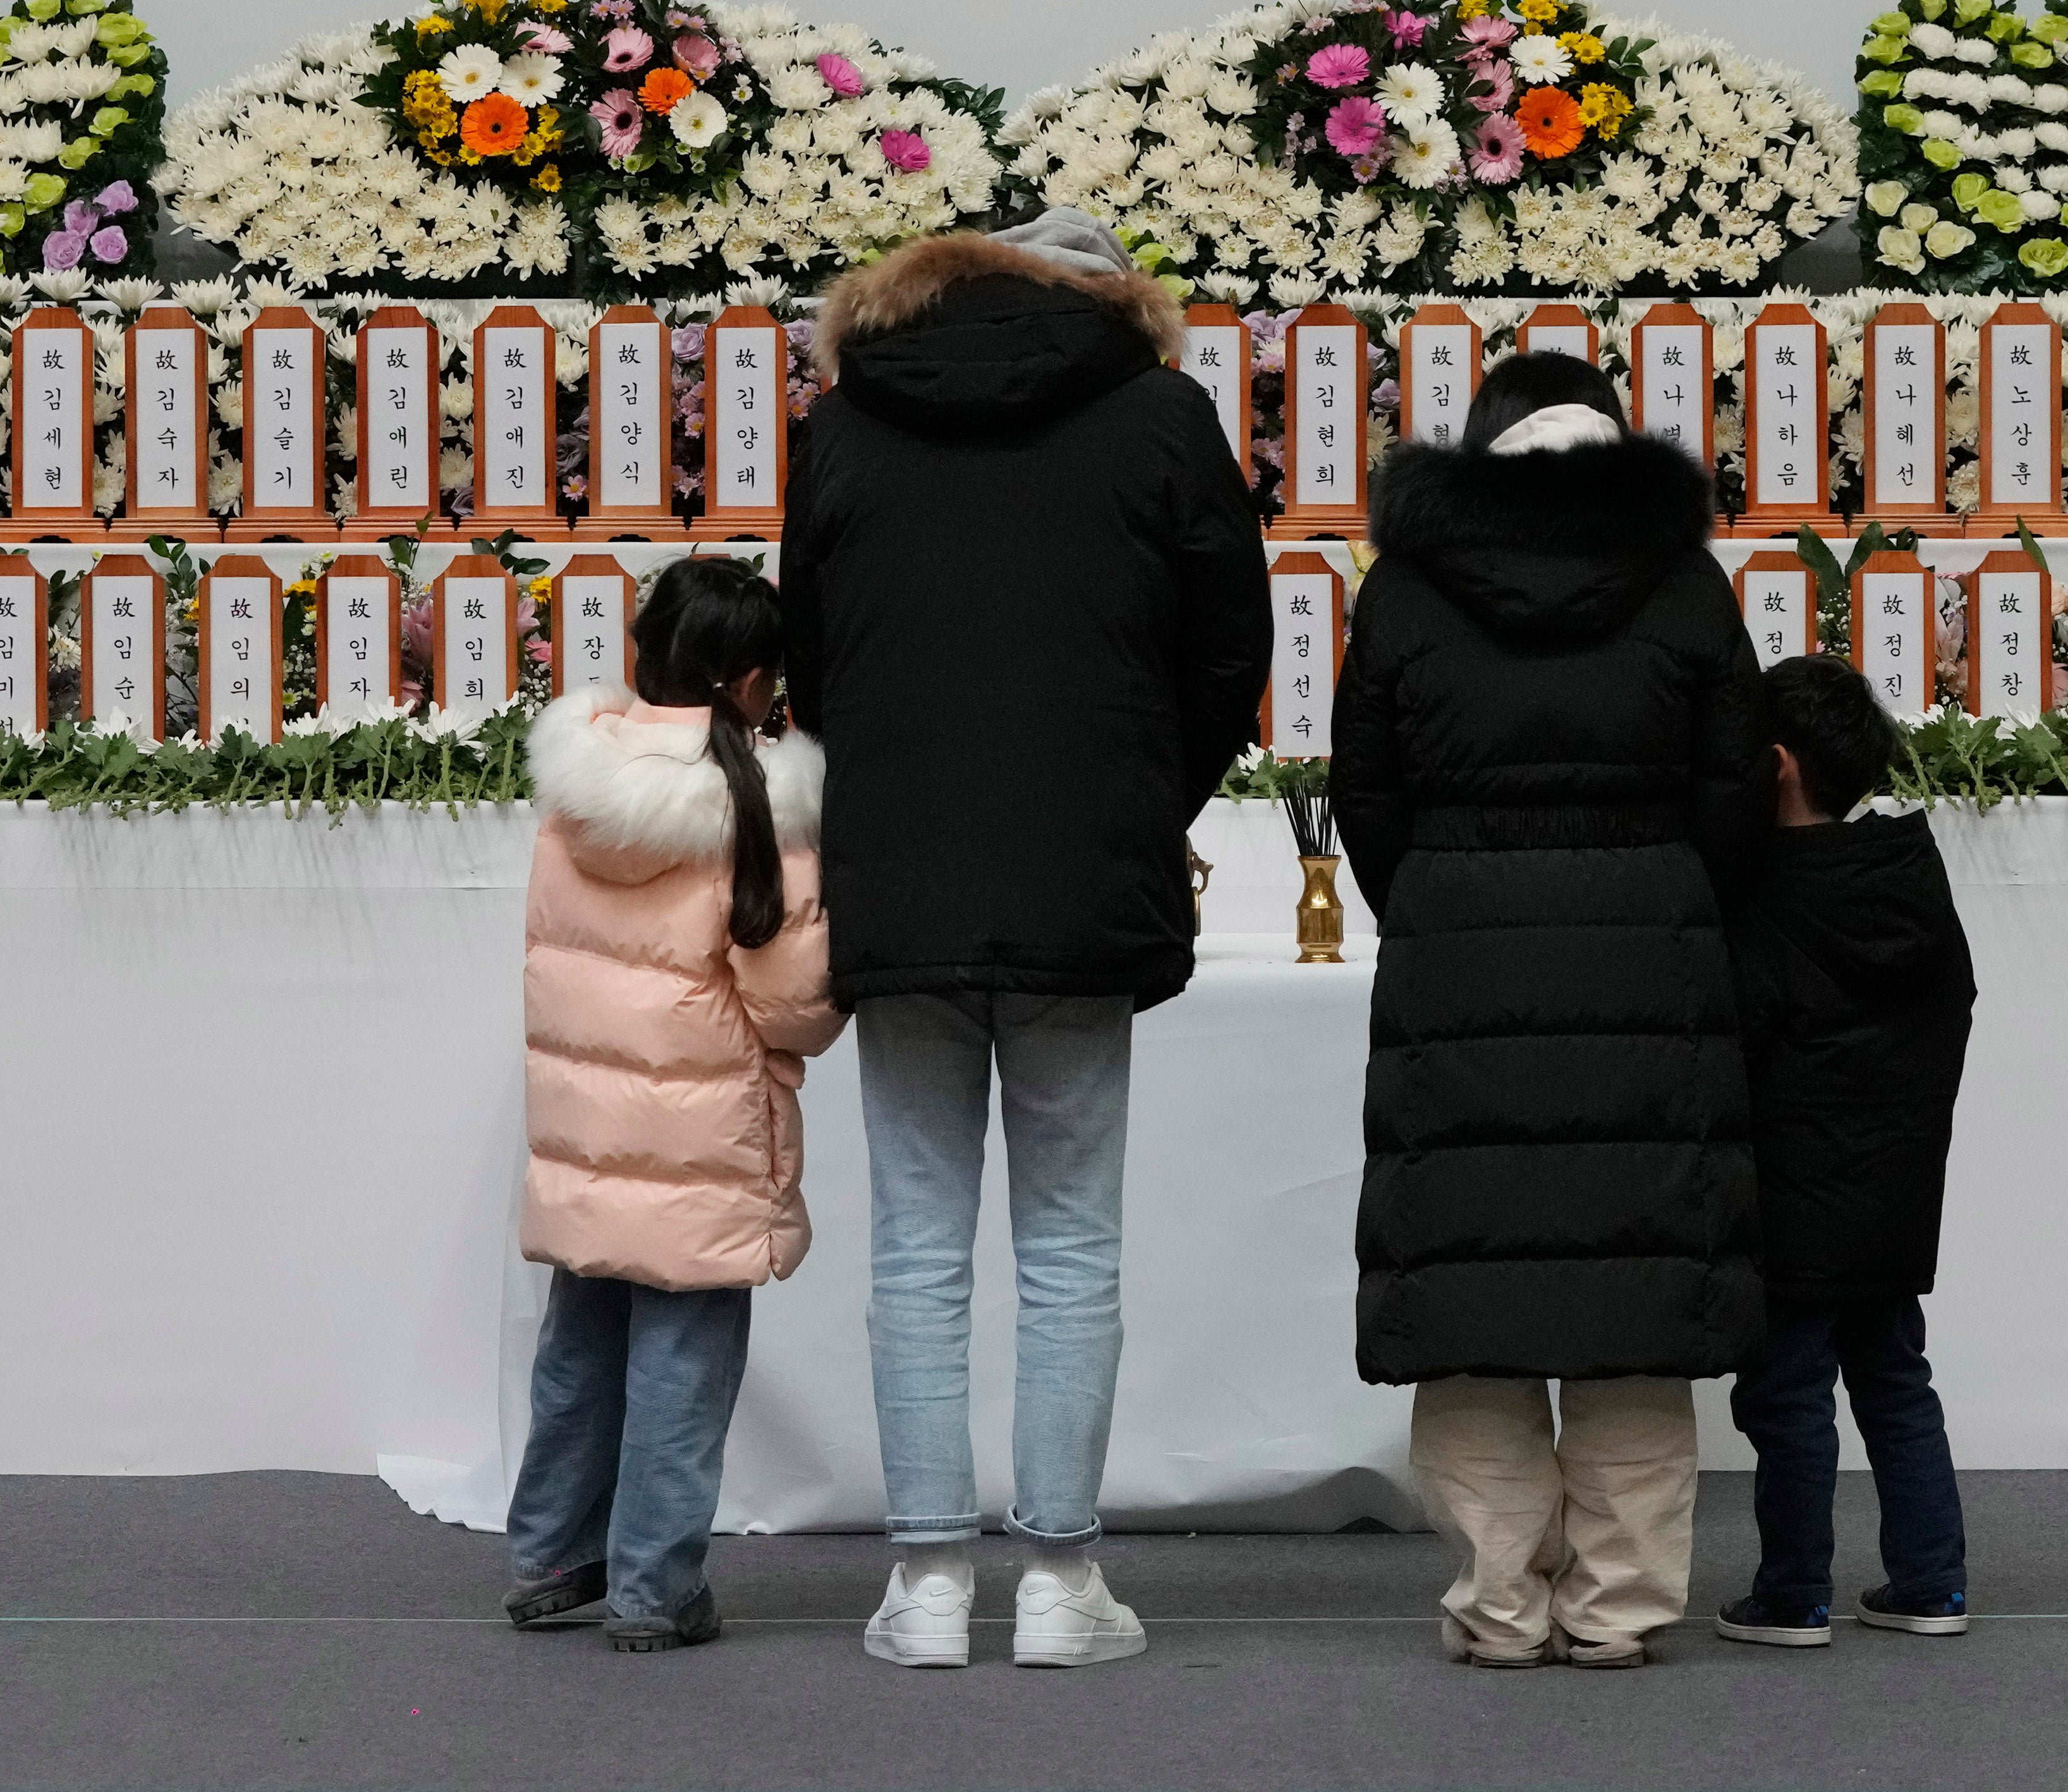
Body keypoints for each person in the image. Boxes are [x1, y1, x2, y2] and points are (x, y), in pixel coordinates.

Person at [782, 205, 1273, 1670]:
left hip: (903, 871)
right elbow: (1228, 648)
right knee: (1071, 1239)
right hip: (1080, 873)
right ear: (1115, 298)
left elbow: (812, 651)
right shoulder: (1162, 415)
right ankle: (1060, 1584)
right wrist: (1137, 800)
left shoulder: (850, 420)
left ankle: (926, 1584)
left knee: (918, 1242)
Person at [1329, 348, 1773, 1669]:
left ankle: (1498, 1605)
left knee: (1475, 1301)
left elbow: (1365, 788)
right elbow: (1736, 781)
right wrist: (1677, 892)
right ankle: (1620, 1609)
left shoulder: (1406, 589)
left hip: (1459, 949)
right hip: (1651, 950)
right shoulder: (1685, 583)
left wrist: (1431, 899)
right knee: (1637, 1296)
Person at [501, 556, 841, 1653]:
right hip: (701, 1142)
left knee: (580, 1353)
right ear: (749, 683)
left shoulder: (578, 787)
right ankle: (653, 1588)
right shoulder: (760, 805)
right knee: (680, 1371)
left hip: (587, 1128)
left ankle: (552, 1552)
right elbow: (792, 1006)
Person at [1716, 653, 1978, 1650]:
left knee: (1787, 1399)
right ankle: (1932, 1583)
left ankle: (1794, 1595)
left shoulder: (1765, 894)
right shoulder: (1908, 875)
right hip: (1896, 1186)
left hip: (1790, 1195)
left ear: (1775, 765)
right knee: (1897, 1383)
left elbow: (1735, 1043)